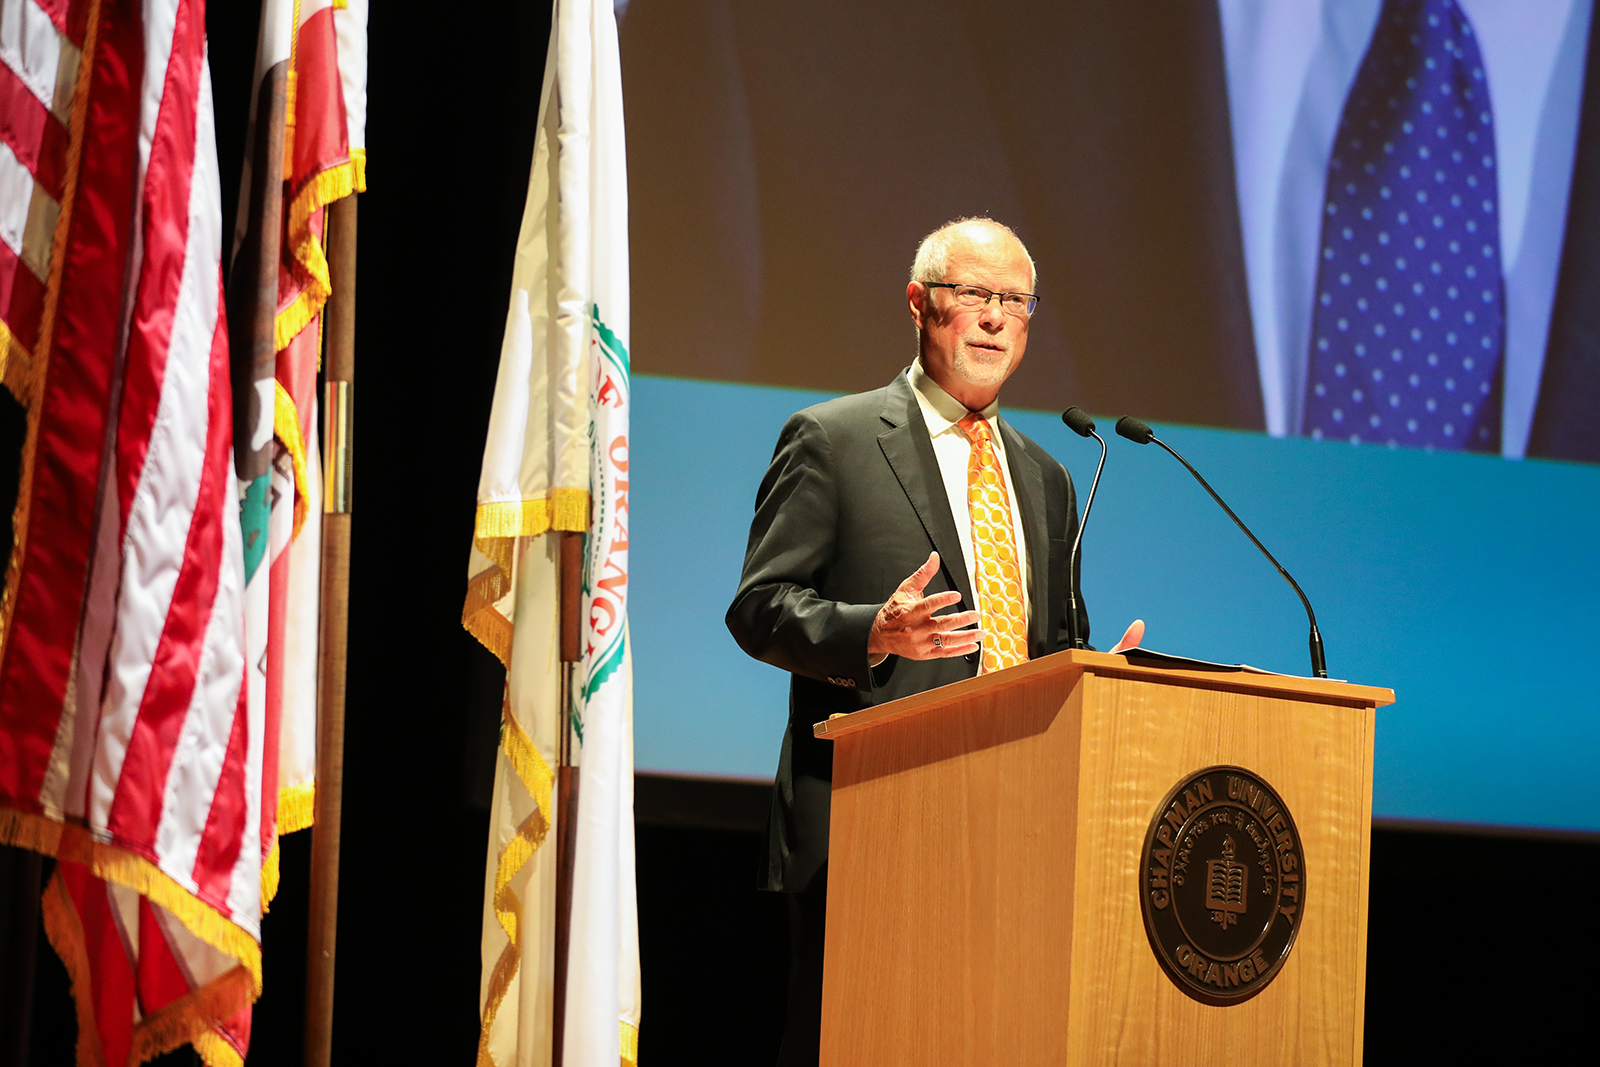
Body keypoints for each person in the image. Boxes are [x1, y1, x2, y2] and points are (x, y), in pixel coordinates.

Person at [726, 217, 1140, 1065]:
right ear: (919, 304)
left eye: (1013, 301)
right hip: (875, 814)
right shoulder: (833, 440)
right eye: (972, 295)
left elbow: (1048, 646)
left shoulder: (1047, 476)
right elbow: (760, 606)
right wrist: (868, 632)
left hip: (1018, 826)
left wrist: (1102, 678)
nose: (993, 317)